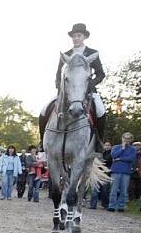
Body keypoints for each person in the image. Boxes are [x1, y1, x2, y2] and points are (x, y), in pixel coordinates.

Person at [39, 23, 106, 151]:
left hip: (87, 92)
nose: (76, 38)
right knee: (44, 110)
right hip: (67, 92)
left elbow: (101, 74)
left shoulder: (92, 53)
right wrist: (60, 88)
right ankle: (42, 140)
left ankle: (98, 141)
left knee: (100, 110)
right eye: (74, 36)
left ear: (84, 37)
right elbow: (58, 74)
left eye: (79, 36)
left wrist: (89, 84)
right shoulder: (66, 54)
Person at [107, 132, 137, 212]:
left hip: (126, 172)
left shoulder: (133, 149)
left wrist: (120, 159)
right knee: (113, 190)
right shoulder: (116, 147)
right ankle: (111, 205)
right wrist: (122, 149)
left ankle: (121, 206)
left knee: (124, 191)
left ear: (131, 140)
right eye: (125, 138)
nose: (126, 140)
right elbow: (113, 155)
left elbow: (131, 159)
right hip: (116, 171)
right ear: (122, 138)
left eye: (128, 138)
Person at [90, 141, 113, 209]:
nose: (107, 146)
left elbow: (107, 161)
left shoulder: (112, 154)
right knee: (95, 190)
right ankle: (93, 205)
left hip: (106, 173)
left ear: (110, 146)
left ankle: (105, 205)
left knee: (105, 191)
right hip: (97, 172)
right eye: (105, 145)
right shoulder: (99, 153)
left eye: (108, 145)